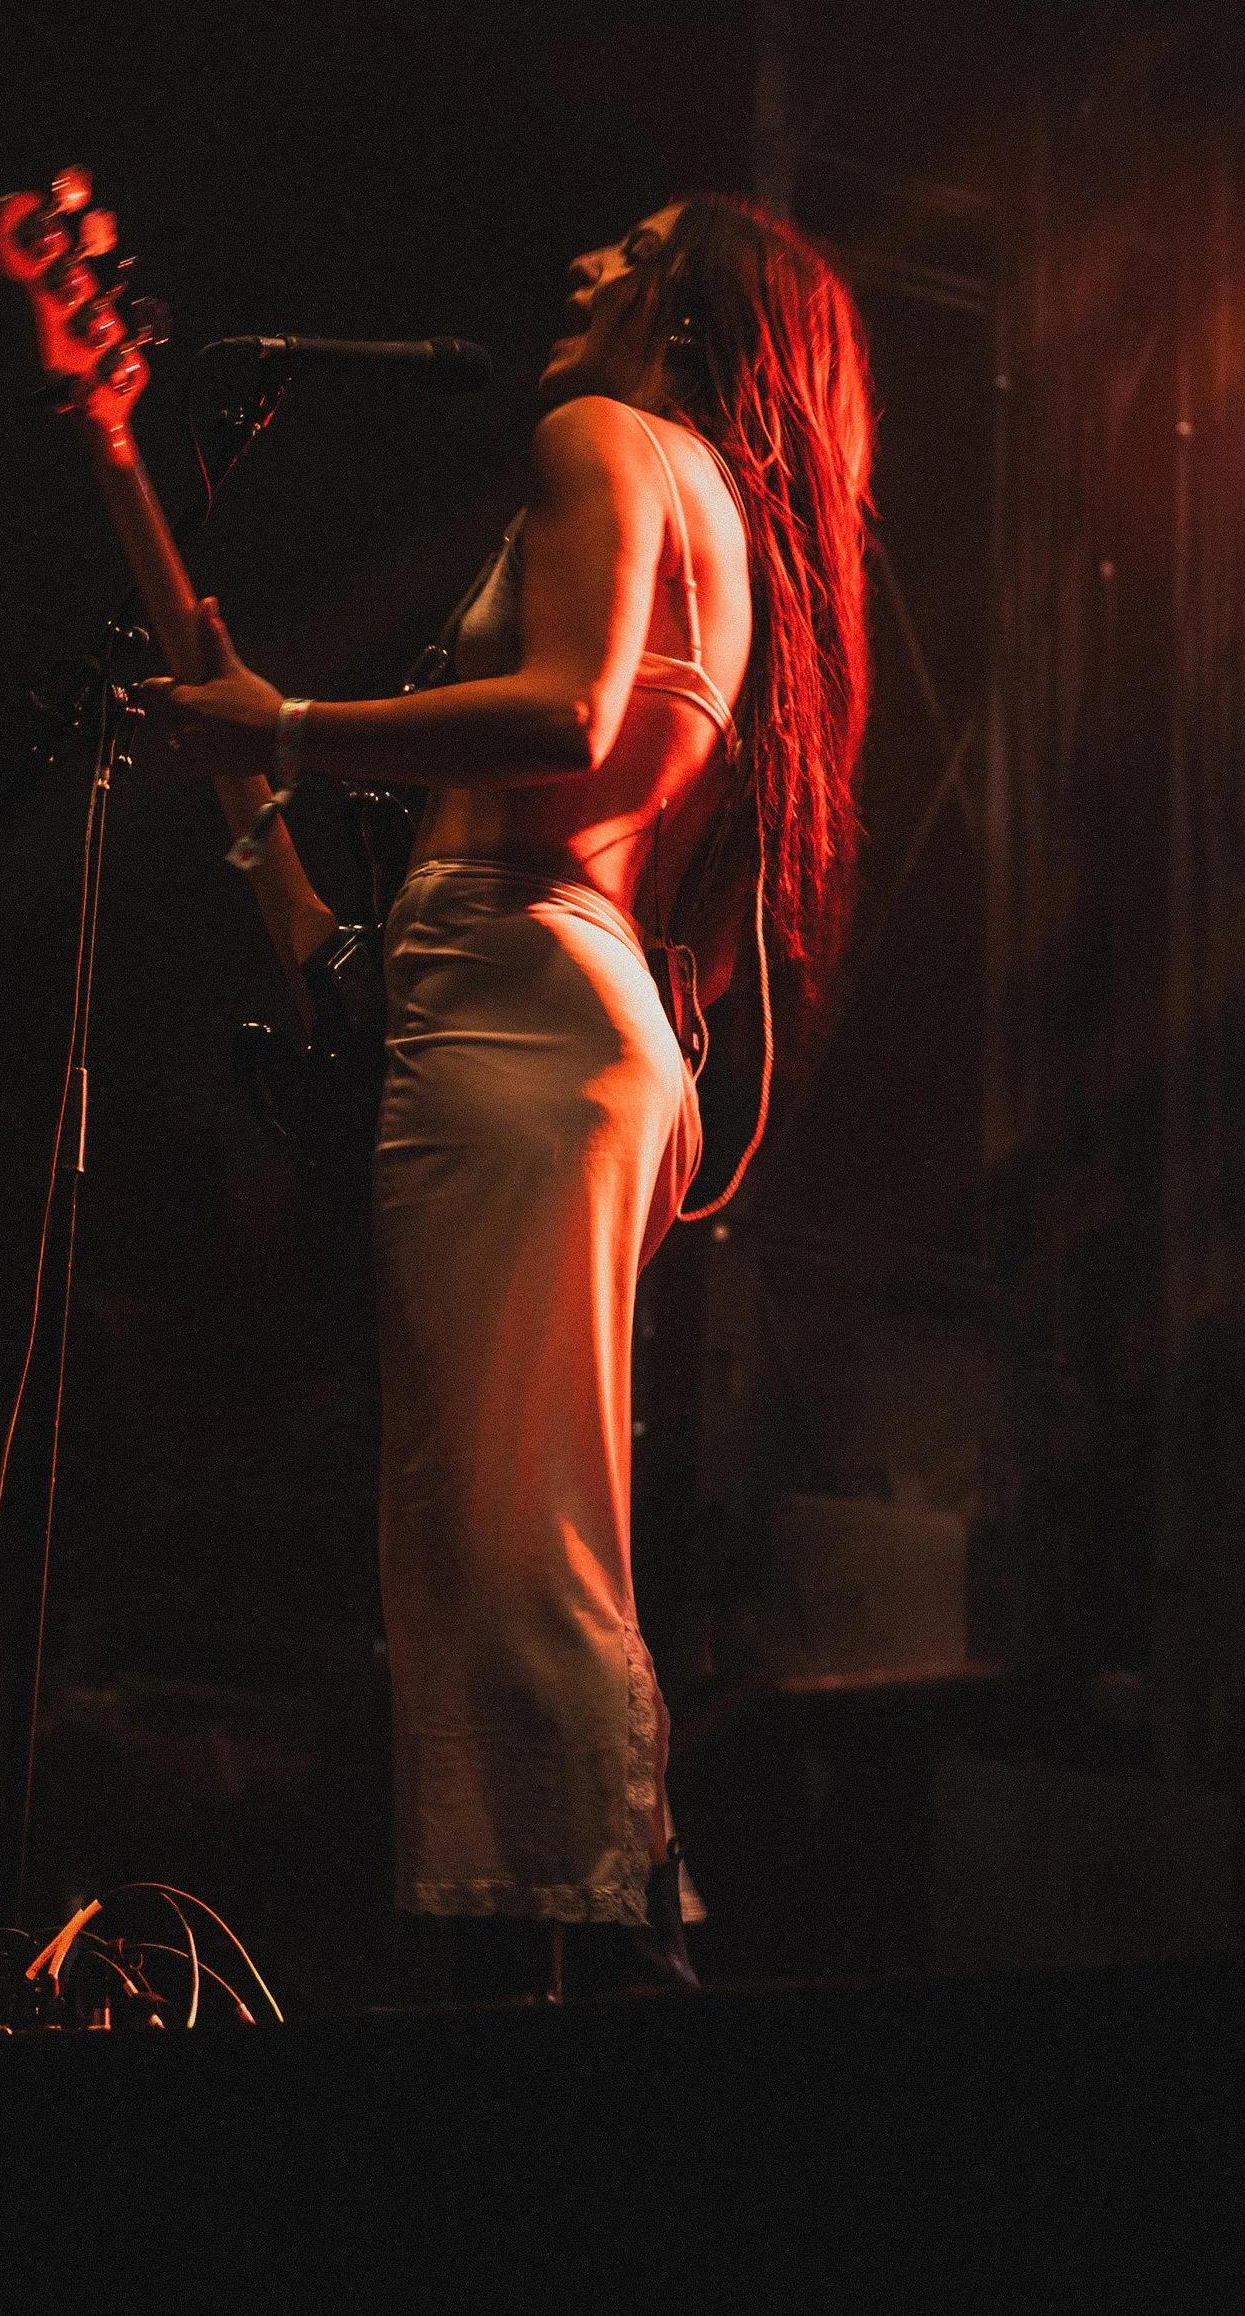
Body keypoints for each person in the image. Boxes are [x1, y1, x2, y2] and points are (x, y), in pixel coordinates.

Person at [148, 195, 874, 1993]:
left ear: (690, 322)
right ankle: (599, 1963)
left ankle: (598, 1977)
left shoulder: (600, 438)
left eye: (628, 259)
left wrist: (294, 729)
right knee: (523, 1544)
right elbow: (600, 862)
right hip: (580, 1013)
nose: (579, 271)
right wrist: (274, 822)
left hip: (521, 1016)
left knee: (503, 1556)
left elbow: (560, 711)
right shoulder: (731, 520)